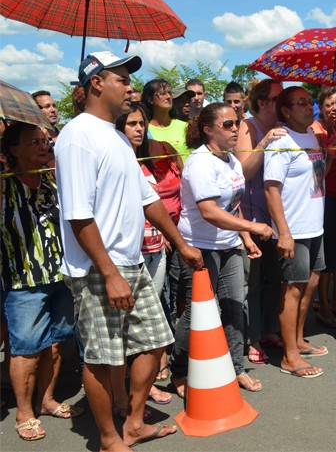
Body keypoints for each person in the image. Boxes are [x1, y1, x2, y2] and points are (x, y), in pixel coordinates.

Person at [55, 51, 204, 451]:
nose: (131, 87)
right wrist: (109, 272)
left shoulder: (117, 136)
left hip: (132, 261)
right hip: (97, 269)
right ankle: (108, 439)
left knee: (155, 342)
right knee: (103, 358)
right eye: (122, 79)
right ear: (96, 84)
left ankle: (133, 423)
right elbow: (78, 215)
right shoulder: (77, 137)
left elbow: (146, 198)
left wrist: (180, 243)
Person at [170, 102, 275, 395]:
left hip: (229, 245)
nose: (235, 129)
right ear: (208, 130)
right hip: (200, 248)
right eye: (228, 124)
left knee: (234, 307)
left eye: (237, 123)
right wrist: (254, 228)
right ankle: (178, 370)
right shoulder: (201, 162)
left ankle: (236, 368)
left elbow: (233, 205)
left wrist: (246, 238)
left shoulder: (230, 160)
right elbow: (210, 211)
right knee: (197, 313)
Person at [1, 122, 82, 442]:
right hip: (23, 282)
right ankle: (24, 412)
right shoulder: (4, 186)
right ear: (14, 151)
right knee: (26, 350)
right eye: (33, 142)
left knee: (58, 342)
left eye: (45, 140)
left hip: (59, 277)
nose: (43, 146)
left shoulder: (51, 182)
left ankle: (46, 400)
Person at [115, 102, 182, 399]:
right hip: (131, 255)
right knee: (129, 324)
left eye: (141, 123)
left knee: (150, 317)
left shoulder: (145, 161)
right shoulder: (116, 163)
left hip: (156, 250)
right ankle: (130, 385)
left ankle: (146, 380)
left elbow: (155, 205)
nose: (139, 128)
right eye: (131, 124)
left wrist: (168, 234)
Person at [264, 86, 327, 376]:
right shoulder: (281, 140)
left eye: (310, 101)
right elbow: (271, 189)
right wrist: (285, 233)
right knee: (291, 290)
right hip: (295, 229)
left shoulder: (311, 134)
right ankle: (289, 357)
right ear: (286, 111)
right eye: (301, 102)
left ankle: (298, 341)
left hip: (315, 226)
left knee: (308, 286)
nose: (309, 106)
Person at [236, 79, 287, 363]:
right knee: (251, 282)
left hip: (276, 218)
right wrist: (265, 142)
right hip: (251, 218)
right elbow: (243, 171)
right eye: (278, 98)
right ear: (262, 103)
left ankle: (268, 330)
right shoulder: (248, 126)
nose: (283, 103)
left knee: (273, 279)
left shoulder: (282, 126)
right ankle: (250, 337)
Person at [310, 87, 336, 328]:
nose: (334, 109)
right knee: (328, 253)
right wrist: (330, 153)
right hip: (326, 197)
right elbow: (317, 173)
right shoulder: (315, 130)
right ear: (321, 107)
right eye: (329, 104)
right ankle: (323, 304)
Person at [141, 79, 188, 163]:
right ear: (150, 99)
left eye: (170, 93)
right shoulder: (145, 131)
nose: (168, 97)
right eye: (162, 93)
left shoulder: (185, 126)